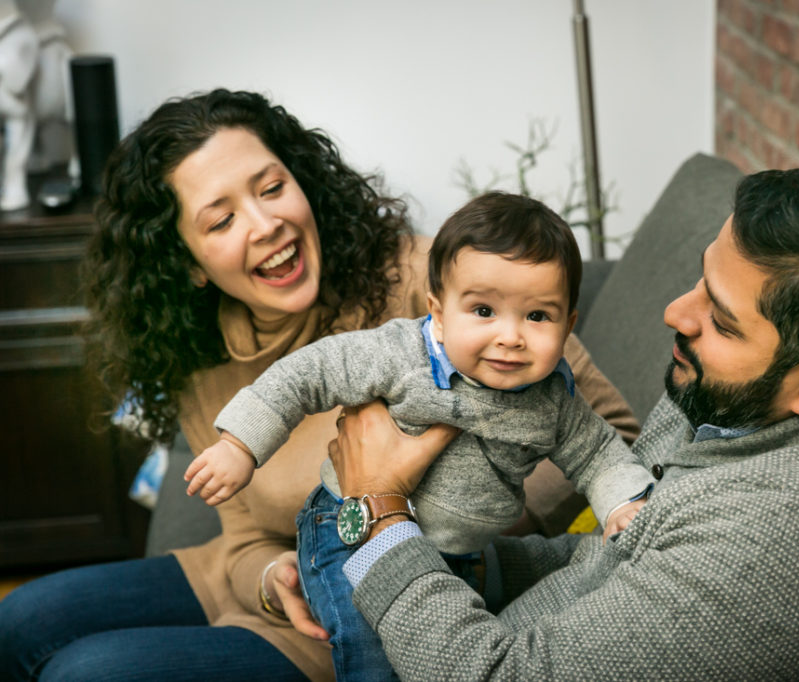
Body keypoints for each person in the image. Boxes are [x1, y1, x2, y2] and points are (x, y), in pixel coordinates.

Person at [0, 89, 639, 681]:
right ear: (188, 264)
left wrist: (458, 514)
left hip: (384, 600)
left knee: (85, 673)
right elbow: (244, 537)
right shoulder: (198, 355)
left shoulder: (438, 283)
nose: (264, 224)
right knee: (17, 622)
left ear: (305, 185)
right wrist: (270, 578)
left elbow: (610, 432)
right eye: (220, 221)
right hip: (281, 580)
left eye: (272, 188)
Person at [314, 167, 799, 680]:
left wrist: (375, 517)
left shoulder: (782, 548)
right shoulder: (737, 407)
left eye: (723, 319)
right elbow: (619, 557)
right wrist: (381, 561)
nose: (677, 312)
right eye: (700, 280)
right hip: (450, 624)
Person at [184, 191, 654, 679]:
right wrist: (240, 445)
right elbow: (308, 374)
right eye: (484, 311)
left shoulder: (554, 399)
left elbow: (600, 451)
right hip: (349, 532)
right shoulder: (403, 354)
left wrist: (623, 505)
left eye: (538, 316)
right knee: (377, 658)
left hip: (457, 552)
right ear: (440, 311)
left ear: (568, 324)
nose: (510, 336)